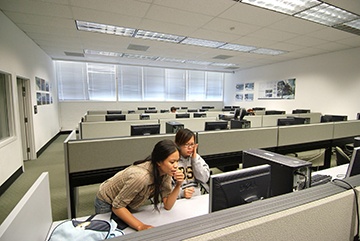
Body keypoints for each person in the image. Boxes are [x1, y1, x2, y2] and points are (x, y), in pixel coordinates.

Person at [94, 139, 184, 231]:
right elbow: (117, 207)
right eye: (172, 162)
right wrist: (140, 226)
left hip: (126, 201)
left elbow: (168, 205)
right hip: (107, 201)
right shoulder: (141, 177)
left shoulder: (165, 172)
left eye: (177, 161)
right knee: (108, 231)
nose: (176, 166)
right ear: (159, 162)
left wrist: (178, 185)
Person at [174, 128, 210, 199]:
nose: (190, 148)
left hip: (196, 197)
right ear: (178, 144)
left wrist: (194, 160)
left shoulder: (196, 158)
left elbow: (204, 179)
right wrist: (182, 193)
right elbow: (166, 189)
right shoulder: (172, 160)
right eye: (186, 144)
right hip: (178, 199)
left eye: (192, 144)